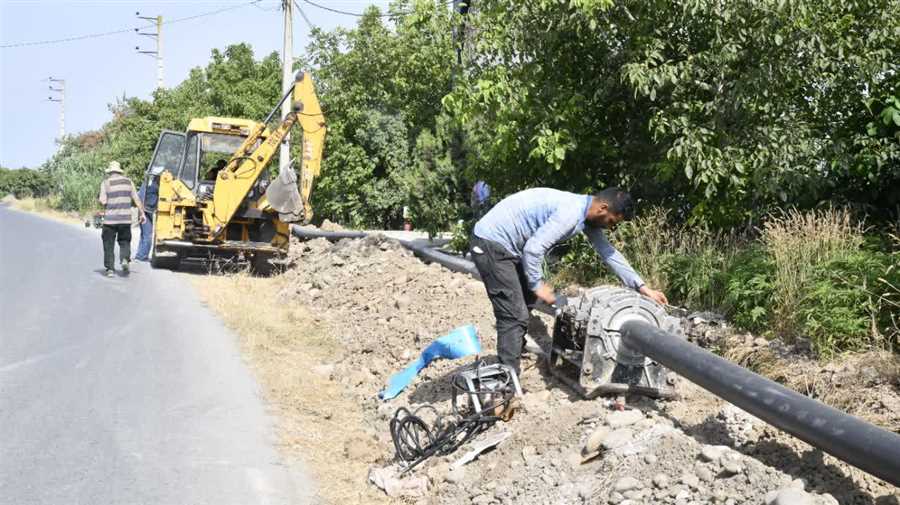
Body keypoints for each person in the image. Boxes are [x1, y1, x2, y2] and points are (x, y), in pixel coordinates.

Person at [469, 187, 668, 377]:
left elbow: (609, 253)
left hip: (508, 247)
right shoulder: (571, 213)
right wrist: (538, 285)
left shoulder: (585, 213)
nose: (611, 227)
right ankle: (506, 381)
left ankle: (515, 349)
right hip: (491, 244)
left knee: (527, 297)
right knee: (514, 315)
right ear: (603, 209)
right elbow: (533, 249)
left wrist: (643, 287)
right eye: (611, 222)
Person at [98, 161, 145, 277]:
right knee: (125, 241)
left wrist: (106, 202)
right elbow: (137, 199)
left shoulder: (106, 183)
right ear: (119, 171)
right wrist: (142, 214)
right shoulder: (129, 182)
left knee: (108, 244)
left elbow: (102, 200)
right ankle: (124, 259)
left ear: (110, 172)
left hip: (110, 220)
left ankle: (110, 269)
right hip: (125, 219)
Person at [134, 166, 163, 261]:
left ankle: (140, 255)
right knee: (147, 235)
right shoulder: (155, 186)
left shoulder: (148, 183)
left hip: (144, 210)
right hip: (146, 211)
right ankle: (141, 256)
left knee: (144, 234)